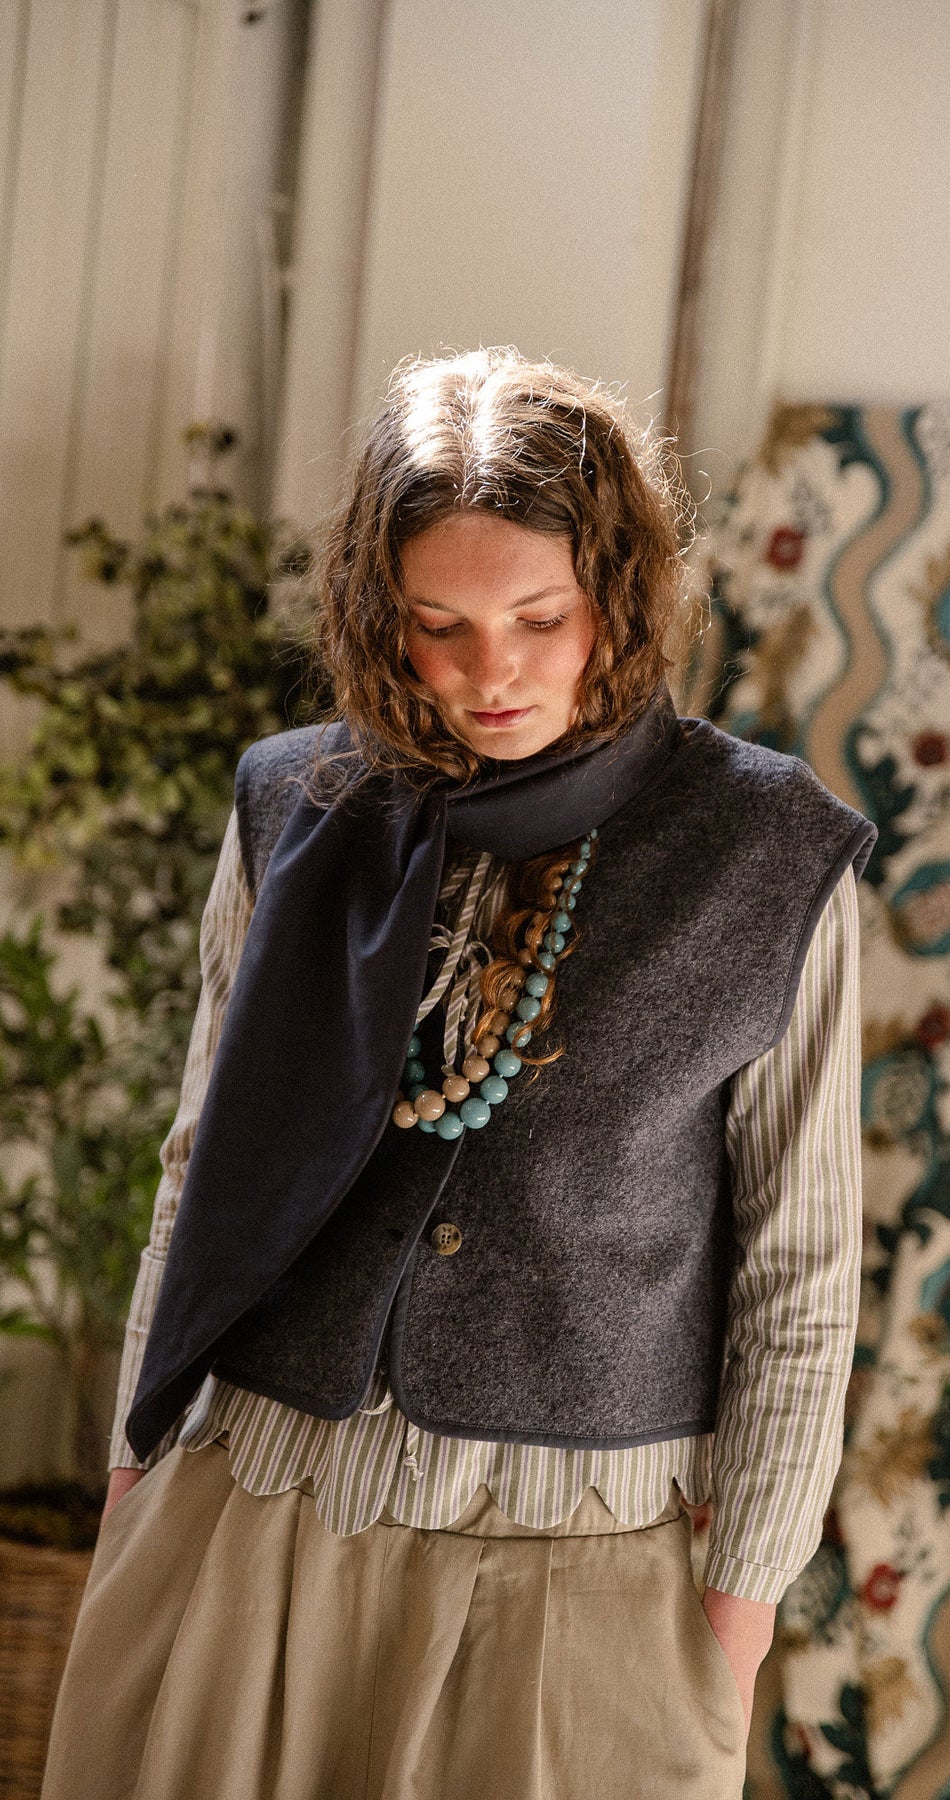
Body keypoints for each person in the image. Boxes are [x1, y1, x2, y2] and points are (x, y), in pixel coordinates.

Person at [42, 348, 876, 1800]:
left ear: (621, 593)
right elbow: (200, 1166)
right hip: (248, 1503)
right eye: (440, 625)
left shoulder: (768, 852)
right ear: (383, 617)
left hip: (578, 1559)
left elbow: (800, 1272)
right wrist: (133, 1469)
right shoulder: (294, 804)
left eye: (541, 618)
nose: (494, 673)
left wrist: (736, 1615)